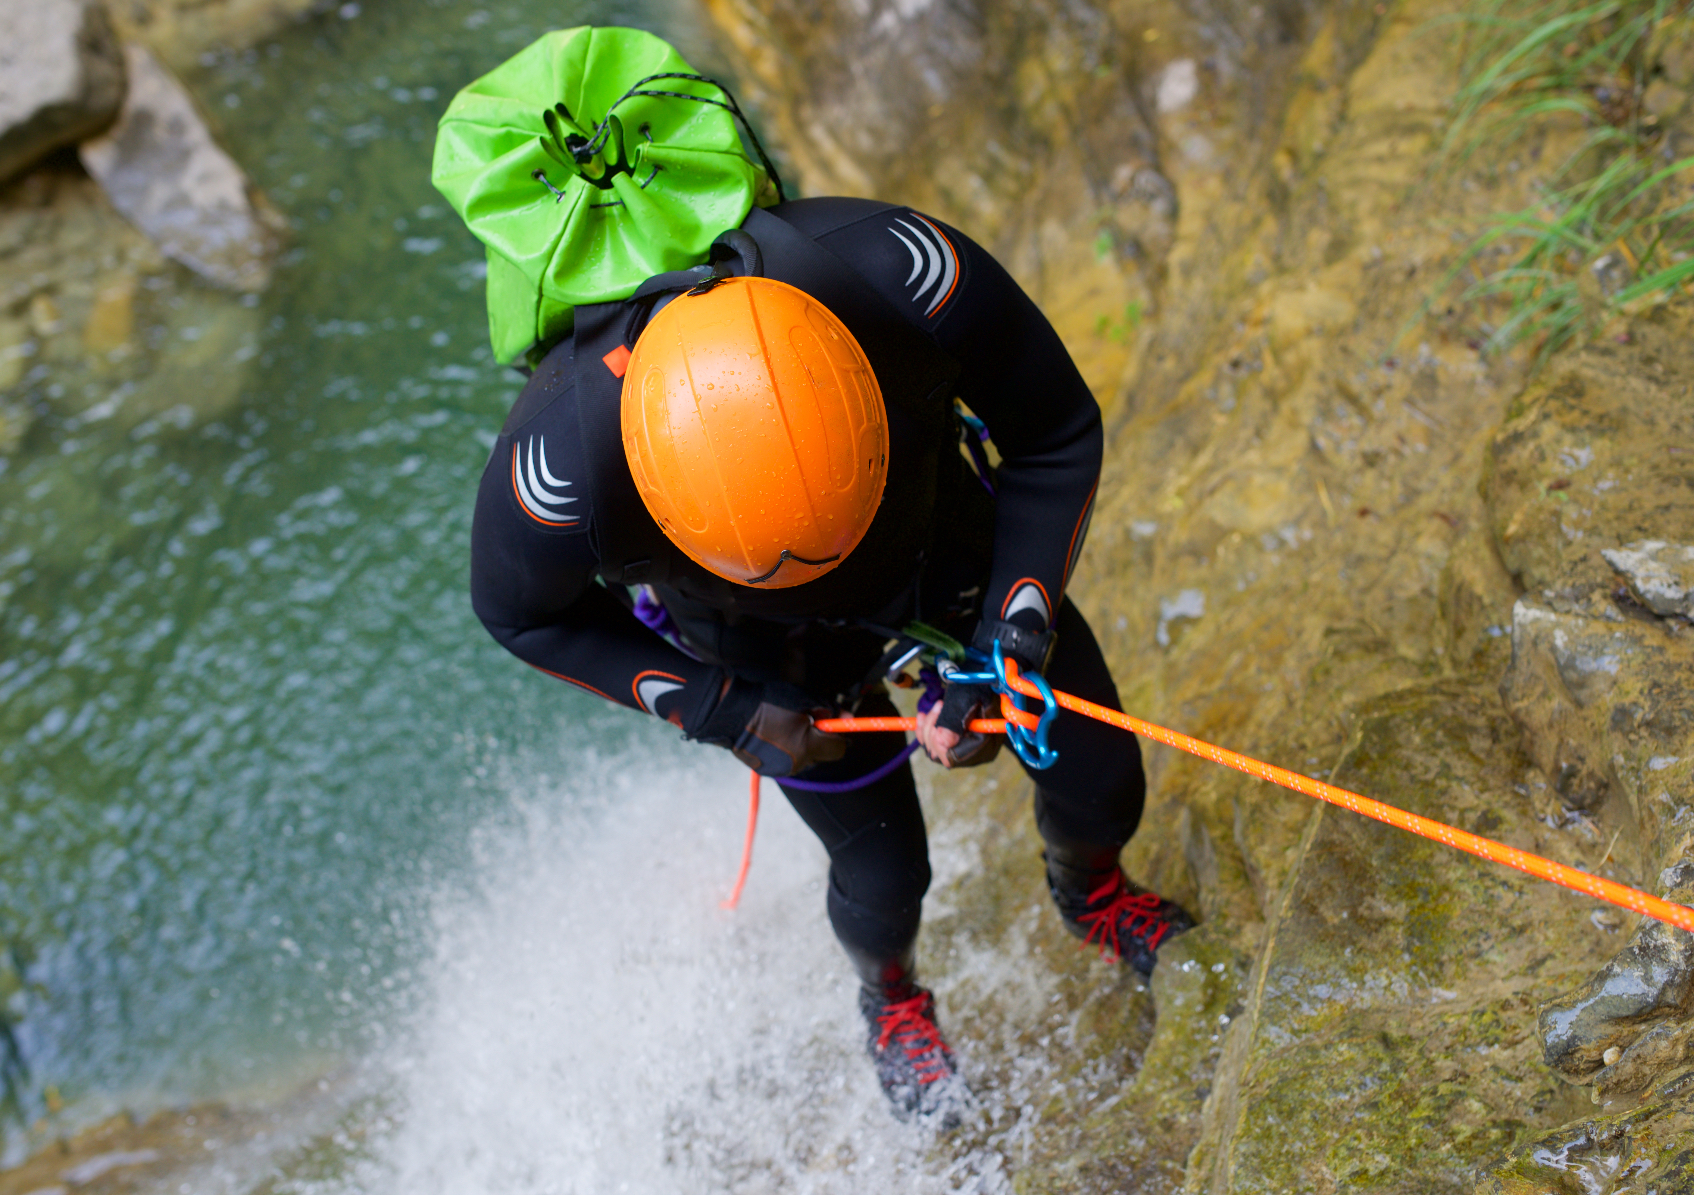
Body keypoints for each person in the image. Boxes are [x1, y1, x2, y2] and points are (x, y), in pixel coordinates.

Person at [442, 27, 1194, 1122]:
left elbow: (1052, 430)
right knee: (883, 876)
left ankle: (1092, 890)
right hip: (764, 648)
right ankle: (887, 994)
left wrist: (1009, 635)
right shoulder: (560, 463)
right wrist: (728, 708)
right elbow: (518, 614)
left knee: (1100, 780)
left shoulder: (896, 271)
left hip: (938, 541)